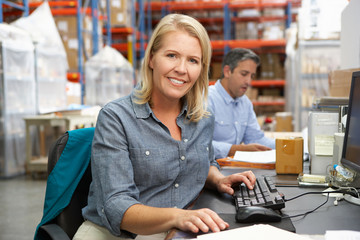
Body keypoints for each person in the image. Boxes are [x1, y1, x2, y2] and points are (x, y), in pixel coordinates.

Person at [73, 14, 256, 240]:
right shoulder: (116, 117)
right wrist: (177, 217)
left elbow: (202, 162)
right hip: (116, 233)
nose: (181, 69)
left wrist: (218, 179)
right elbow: (117, 206)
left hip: (177, 228)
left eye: (193, 60)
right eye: (172, 56)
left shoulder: (203, 117)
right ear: (151, 59)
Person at [208, 48, 276, 160]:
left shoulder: (245, 103)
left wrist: (288, 144)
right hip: (209, 170)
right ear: (227, 71)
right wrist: (236, 149)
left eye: (252, 76)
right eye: (244, 74)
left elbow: (256, 139)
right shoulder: (206, 99)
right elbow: (198, 145)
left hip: (233, 168)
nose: (249, 82)